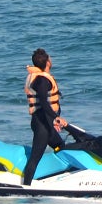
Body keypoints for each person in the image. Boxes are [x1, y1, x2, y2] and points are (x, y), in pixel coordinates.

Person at [21, 48, 67, 186]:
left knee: (60, 146)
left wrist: (53, 120)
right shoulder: (41, 80)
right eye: (50, 59)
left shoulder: (40, 77)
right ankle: (25, 188)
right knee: (35, 157)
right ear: (47, 62)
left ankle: (60, 176)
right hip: (42, 124)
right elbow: (43, 102)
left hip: (45, 122)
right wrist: (56, 118)